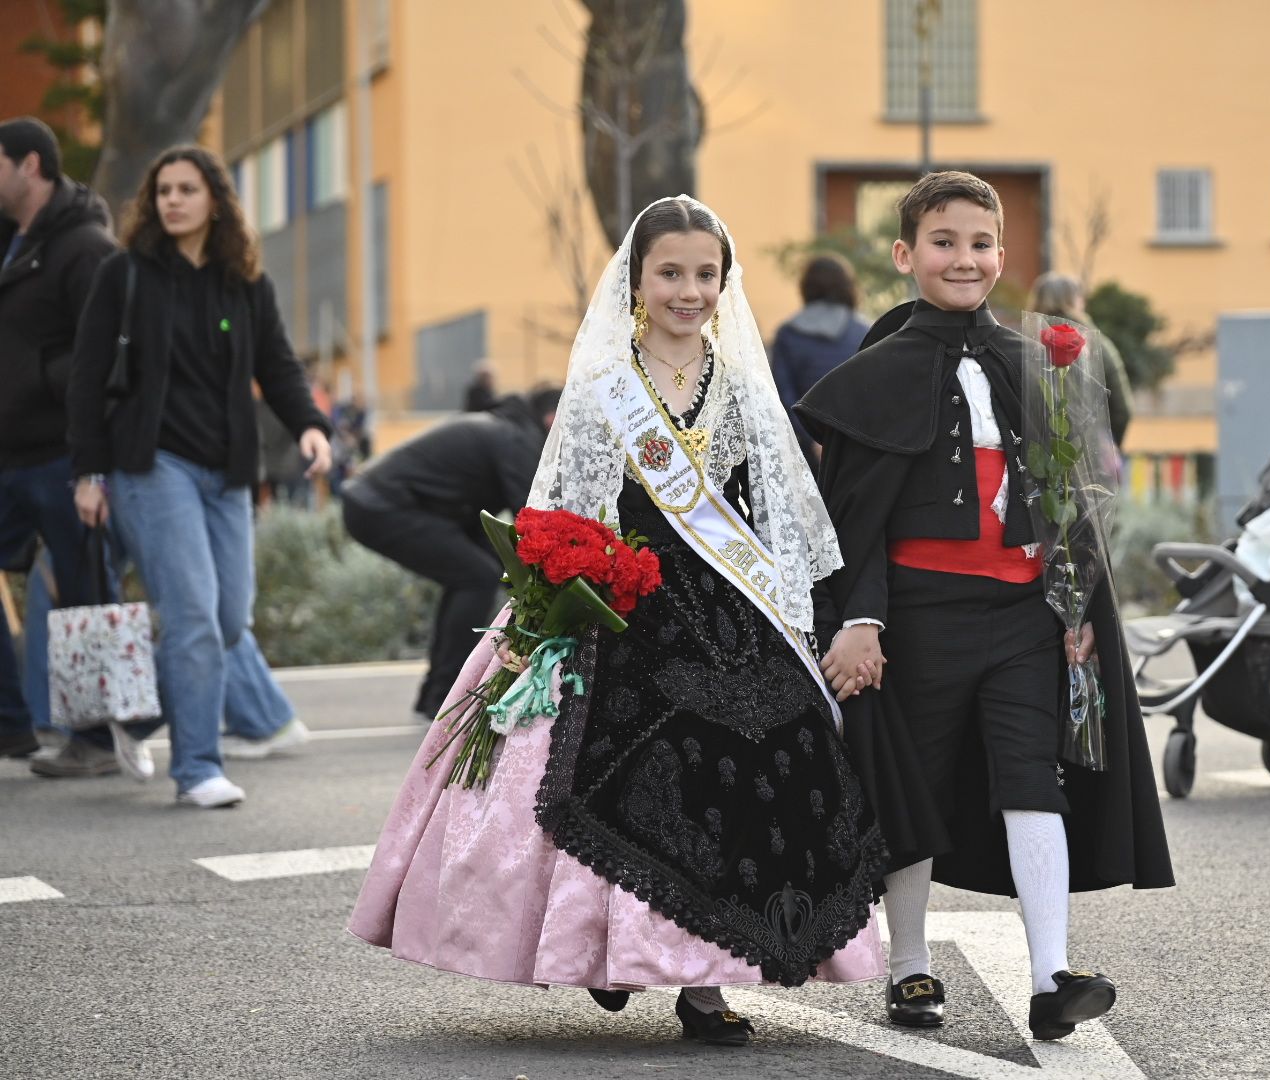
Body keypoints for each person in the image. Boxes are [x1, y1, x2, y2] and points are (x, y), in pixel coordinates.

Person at [349, 196, 888, 1046]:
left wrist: (810, 621)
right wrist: (557, 609)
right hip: (624, 596)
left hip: (728, 604)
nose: (689, 290)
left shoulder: (744, 390)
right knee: (612, 757)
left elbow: (780, 515)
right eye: (670, 273)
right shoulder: (605, 385)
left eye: (705, 274)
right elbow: (573, 506)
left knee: (752, 749)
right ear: (636, 281)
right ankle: (603, 950)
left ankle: (703, 985)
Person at [795, 171, 1174, 1040]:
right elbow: (856, 522)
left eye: (980, 244)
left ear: (1002, 255)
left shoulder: (1035, 360)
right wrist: (862, 618)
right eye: (943, 242)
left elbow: (1068, 494)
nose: (964, 259)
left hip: (1023, 619)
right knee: (912, 791)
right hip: (918, 620)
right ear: (905, 255)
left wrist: (1077, 607)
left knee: (1031, 778)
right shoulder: (873, 377)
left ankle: (1052, 977)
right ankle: (912, 970)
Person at [65, 145, 332, 808]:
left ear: (215, 198)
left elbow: (278, 363)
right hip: (152, 467)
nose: (173, 200)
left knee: (229, 618)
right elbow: (86, 378)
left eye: (187, 189)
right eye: (163, 190)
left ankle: (134, 714)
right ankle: (197, 769)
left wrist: (309, 424)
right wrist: (88, 472)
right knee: (191, 617)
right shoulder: (125, 274)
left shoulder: (244, 281)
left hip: (227, 472)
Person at [0, 117, 118, 763]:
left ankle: (94, 738)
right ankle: (11, 722)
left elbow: (105, 356)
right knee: (73, 588)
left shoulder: (85, 247)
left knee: (83, 593)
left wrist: (91, 466)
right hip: (8, 452)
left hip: (63, 452)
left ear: (31, 166)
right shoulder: (8, 243)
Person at [341, 387, 557, 721]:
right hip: (381, 505)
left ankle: (435, 694)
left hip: (378, 502)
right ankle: (442, 695)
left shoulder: (502, 428)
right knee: (476, 578)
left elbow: (490, 529)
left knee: (475, 575)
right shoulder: (518, 440)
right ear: (551, 419)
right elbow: (531, 521)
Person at [770, 254, 870, 463]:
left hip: (802, 453)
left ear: (806, 288)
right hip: (856, 450)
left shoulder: (788, 335)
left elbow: (783, 397)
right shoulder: (864, 332)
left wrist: (815, 440)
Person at [1029, 271, 1133, 447]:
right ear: (1076, 301)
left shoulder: (1024, 340)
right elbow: (1122, 409)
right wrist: (1110, 445)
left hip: (1035, 454)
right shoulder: (1099, 345)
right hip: (1091, 454)